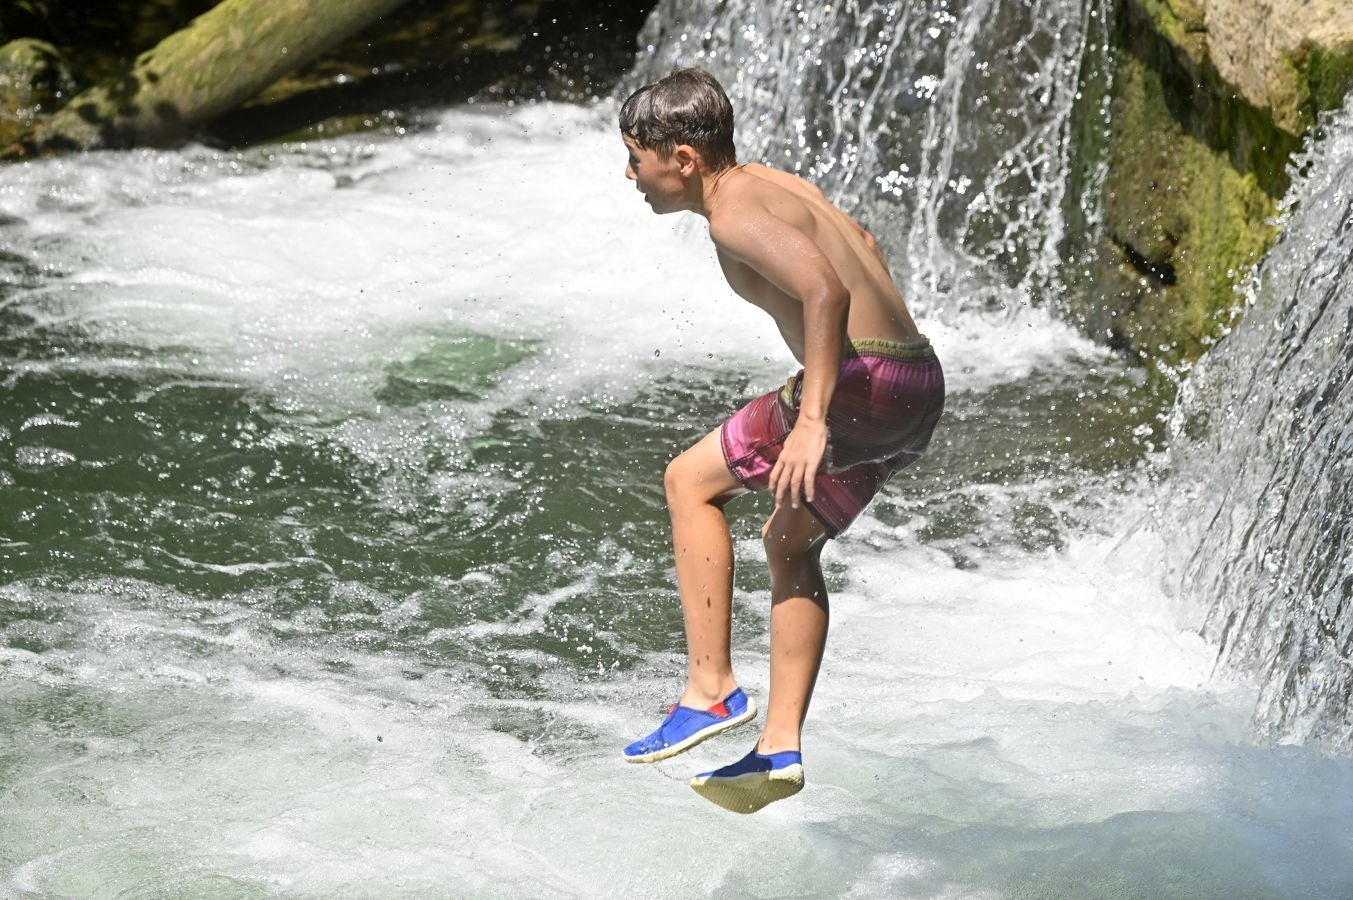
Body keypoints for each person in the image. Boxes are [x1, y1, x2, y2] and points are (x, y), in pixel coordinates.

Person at [617, 68, 945, 813]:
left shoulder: (732, 213)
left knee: (688, 481)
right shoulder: (773, 182)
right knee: (789, 543)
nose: (629, 174)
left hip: (856, 390)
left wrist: (814, 418)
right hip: (918, 383)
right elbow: (862, 243)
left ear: (682, 159)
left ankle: (709, 689)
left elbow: (825, 289)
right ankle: (778, 745)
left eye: (636, 158)